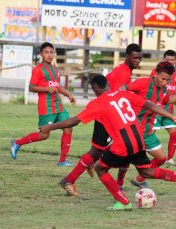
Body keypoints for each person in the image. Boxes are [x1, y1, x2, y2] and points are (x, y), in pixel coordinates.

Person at [40, 74, 176, 211]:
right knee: (146, 172)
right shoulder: (123, 95)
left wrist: (50, 127)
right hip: (138, 139)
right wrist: (171, 116)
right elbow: (149, 104)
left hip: (123, 144)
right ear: (108, 84)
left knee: (100, 168)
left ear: (95, 89)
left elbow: (74, 121)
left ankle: (123, 202)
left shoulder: (97, 103)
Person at [56, 43, 142, 192]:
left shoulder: (121, 69)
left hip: (107, 115)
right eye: (135, 57)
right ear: (127, 57)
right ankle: (115, 184)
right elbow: (115, 95)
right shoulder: (124, 73)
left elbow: (105, 82)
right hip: (108, 118)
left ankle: (74, 178)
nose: (138, 61)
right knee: (117, 150)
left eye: (140, 58)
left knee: (102, 151)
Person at [120, 61, 176, 188]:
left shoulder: (163, 89)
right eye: (163, 79)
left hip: (147, 131)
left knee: (161, 158)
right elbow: (123, 89)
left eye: (168, 80)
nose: (165, 82)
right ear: (155, 74)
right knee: (124, 158)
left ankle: (139, 179)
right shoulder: (143, 82)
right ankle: (119, 184)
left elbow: (167, 99)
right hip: (133, 129)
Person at [10, 42, 76, 166]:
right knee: (44, 135)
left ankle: (62, 161)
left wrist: (68, 94)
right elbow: (31, 87)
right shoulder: (38, 70)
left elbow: (56, 86)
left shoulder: (55, 69)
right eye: (46, 52)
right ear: (41, 54)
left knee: (68, 128)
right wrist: (46, 89)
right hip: (46, 108)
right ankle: (17, 143)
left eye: (52, 52)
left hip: (59, 106)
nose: (49, 55)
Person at [149, 50, 176, 167]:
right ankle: (138, 155)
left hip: (169, 110)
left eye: (172, 60)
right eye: (167, 59)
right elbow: (151, 86)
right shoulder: (156, 71)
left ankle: (170, 159)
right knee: (149, 133)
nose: (170, 62)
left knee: (174, 132)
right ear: (164, 59)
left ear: (175, 60)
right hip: (157, 109)